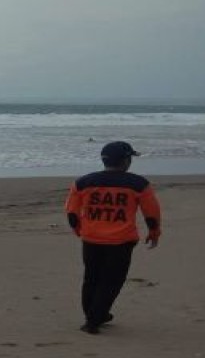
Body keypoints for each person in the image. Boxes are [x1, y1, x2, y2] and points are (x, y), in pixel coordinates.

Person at [64, 141, 161, 334]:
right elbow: (151, 212)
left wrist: (78, 229)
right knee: (112, 281)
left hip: (91, 239)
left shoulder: (83, 182)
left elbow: (71, 211)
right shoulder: (138, 184)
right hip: (121, 241)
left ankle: (95, 315)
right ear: (125, 161)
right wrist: (154, 232)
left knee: (91, 278)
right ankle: (94, 320)